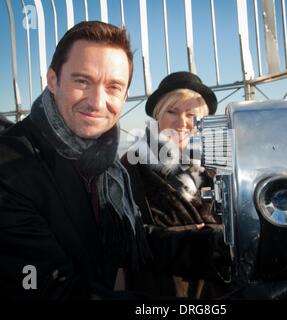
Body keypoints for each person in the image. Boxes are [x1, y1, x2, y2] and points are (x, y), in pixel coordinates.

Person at [0, 21, 229, 300]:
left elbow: (129, 241)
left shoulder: (105, 164)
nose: (97, 102)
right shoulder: (10, 166)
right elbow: (49, 288)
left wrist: (221, 248)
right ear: (53, 80)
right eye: (82, 81)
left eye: (113, 87)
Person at [121, 72, 232, 298]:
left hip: (215, 289)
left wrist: (217, 237)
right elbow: (124, 236)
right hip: (159, 290)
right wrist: (198, 242)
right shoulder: (132, 165)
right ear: (157, 115)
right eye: (172, 111)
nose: (182, 123)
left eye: (191, 114)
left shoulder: (218, 165)